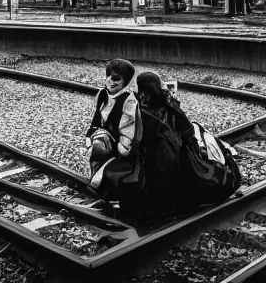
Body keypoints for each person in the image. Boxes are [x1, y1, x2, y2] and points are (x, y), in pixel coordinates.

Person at [135, 72, 242, 210]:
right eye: (161, 83)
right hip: (176, 170)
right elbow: (188, 133)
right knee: (200, 132)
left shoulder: (138, 107)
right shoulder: (169, 107)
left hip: (151, 175)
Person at [85, 59, 143, 215]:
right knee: (96, 149)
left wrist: (118, 150)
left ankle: (112, 201)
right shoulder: (102, 94)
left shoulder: (128, 101)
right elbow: (96, 118)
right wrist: (91, 136)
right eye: (109, 77)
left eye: (116, 79)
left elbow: (128, 133)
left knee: (107, 175)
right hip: (105, 142)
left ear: (124, 81)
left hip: (122, 150)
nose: (111, 81)